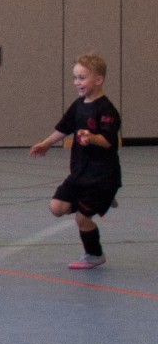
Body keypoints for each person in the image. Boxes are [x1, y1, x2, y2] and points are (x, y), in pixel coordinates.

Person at [29, 54, 121, 270]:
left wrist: (92, 137)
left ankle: (94, 254)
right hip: (80, 172)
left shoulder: (107, 110)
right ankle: (103, 201)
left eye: (82, 78)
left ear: (98, 80)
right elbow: (64, 128)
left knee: (82, 218)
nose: (77, 82)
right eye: (75, 78)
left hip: (102, 176)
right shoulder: (78, 105)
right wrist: (46, 143)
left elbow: (108, 141)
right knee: (57, 207)